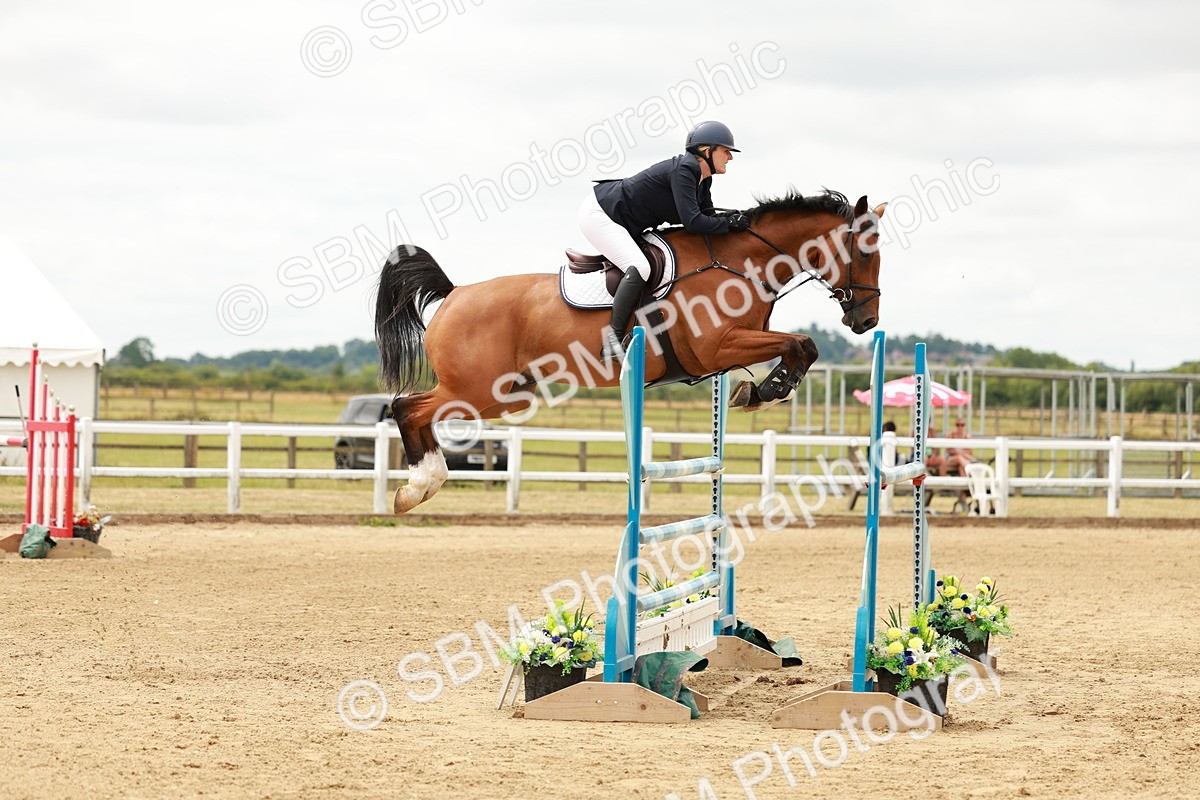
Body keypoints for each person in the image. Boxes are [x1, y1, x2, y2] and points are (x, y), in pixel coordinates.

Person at [579, 120, 751, 363]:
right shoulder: (685, 171)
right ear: (706, 151)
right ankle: (612, 340)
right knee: (640, 267)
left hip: (625, 220)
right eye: (726, 151)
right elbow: (693, 222)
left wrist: (733, 220)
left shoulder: (703, 179)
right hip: (601, 214)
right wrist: (729, 224)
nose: (730, 158)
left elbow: (708, 218)